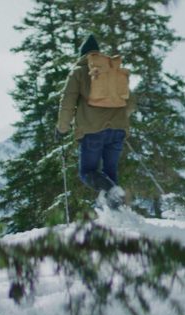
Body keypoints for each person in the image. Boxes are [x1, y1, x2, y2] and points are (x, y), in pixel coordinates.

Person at [56, 34, 136, 208]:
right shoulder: (112, 71)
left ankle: (113, 199)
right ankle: (116, 214)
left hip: (92, 132)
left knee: (88, 172)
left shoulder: (78, 72)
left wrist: (62, 129)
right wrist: (117, 121)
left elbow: (67, 103)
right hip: (118, 131)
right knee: (110, 173)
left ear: (82, 55)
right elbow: (130, 103)